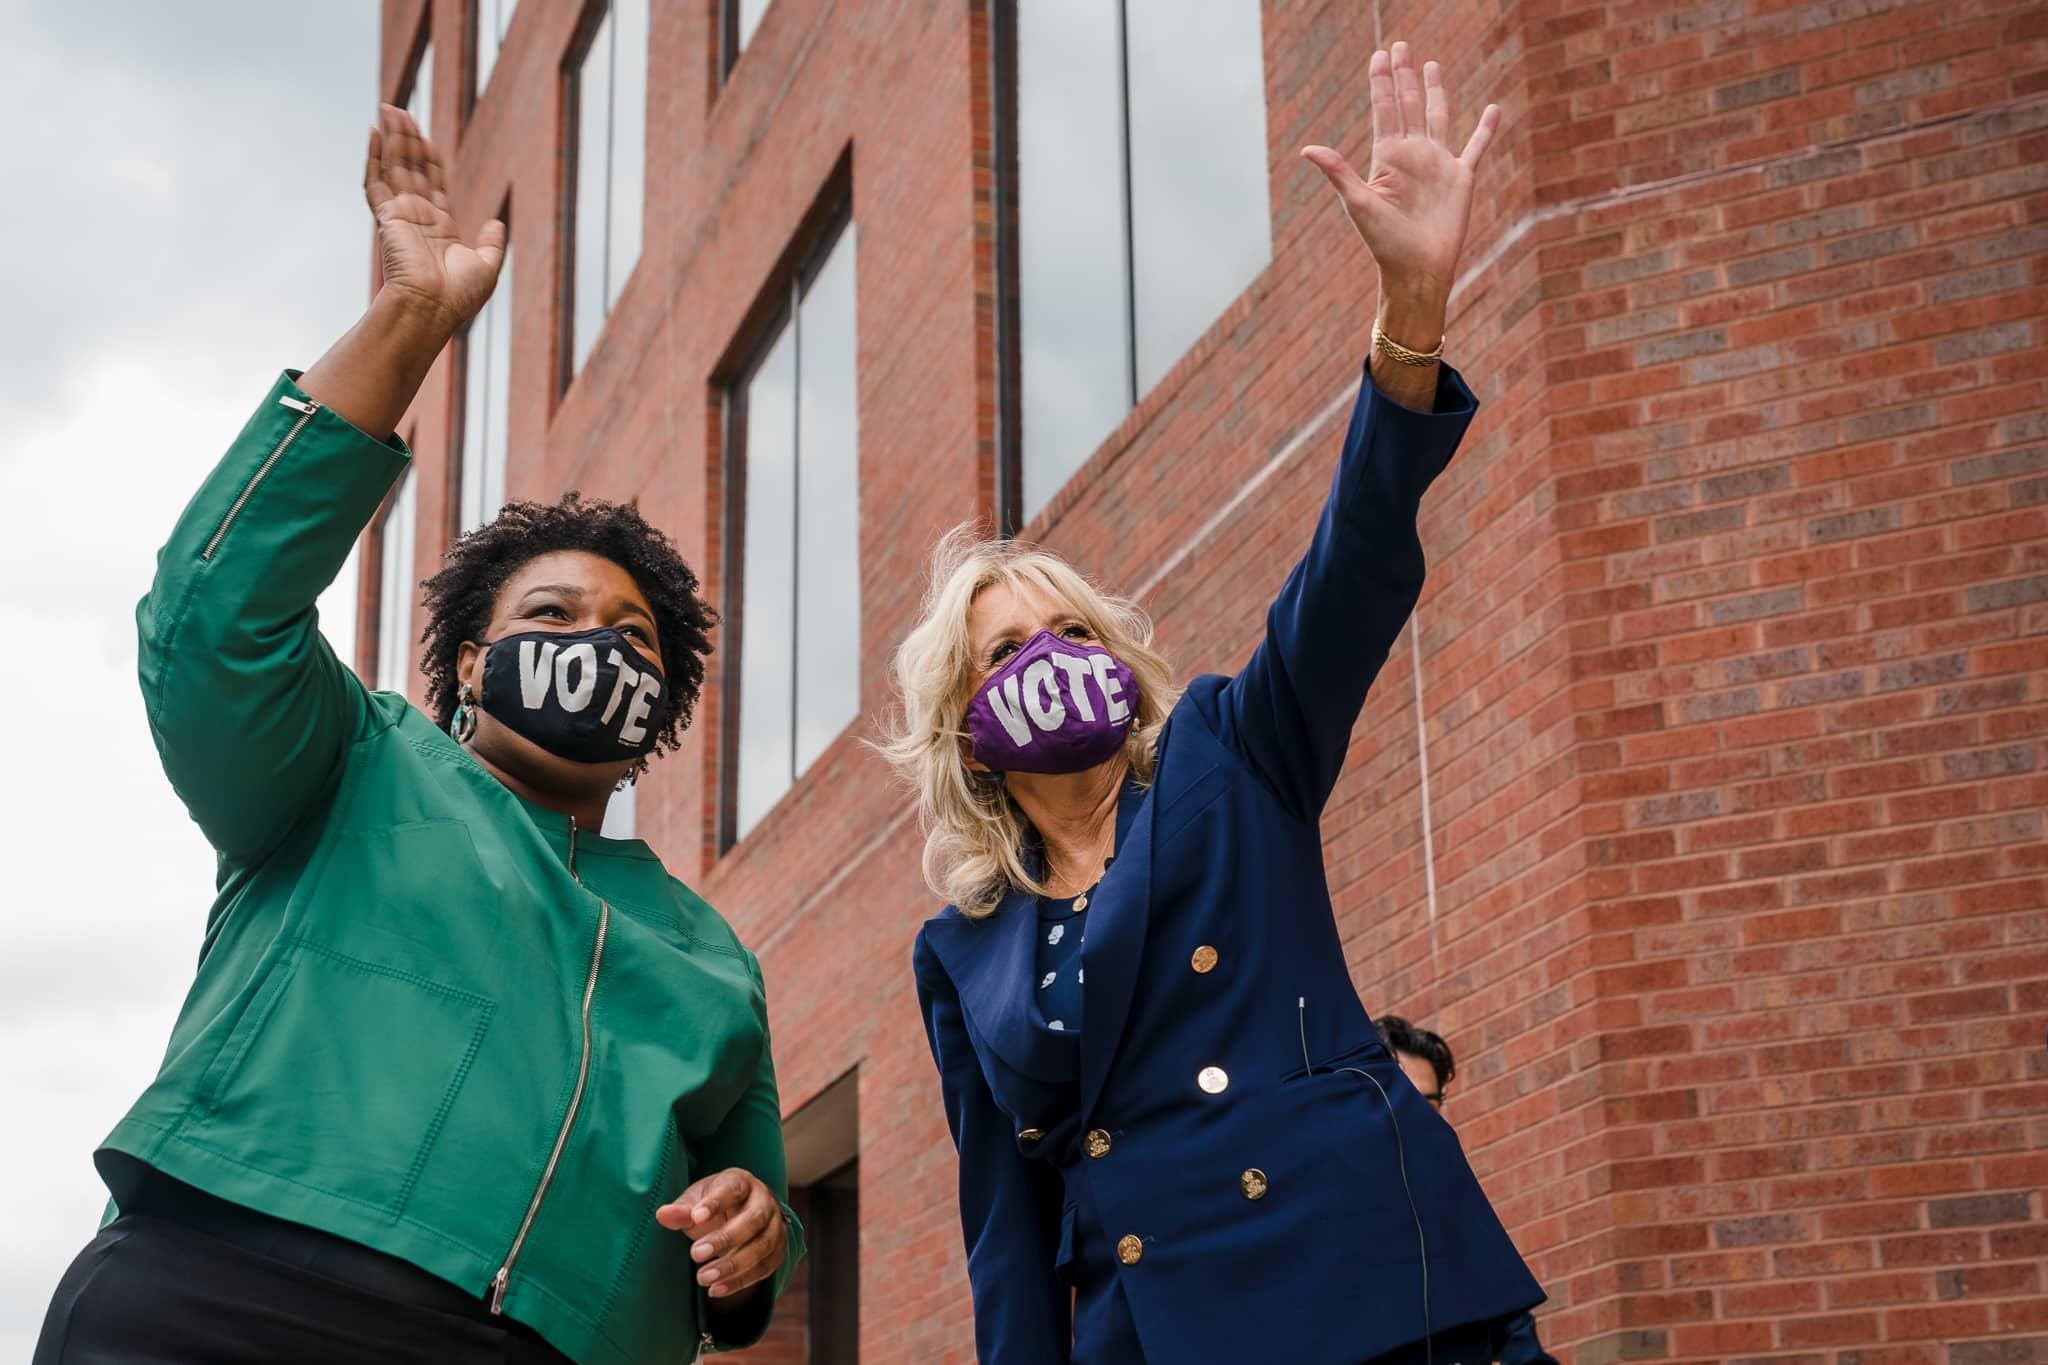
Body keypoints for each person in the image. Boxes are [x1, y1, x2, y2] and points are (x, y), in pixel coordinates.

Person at [34, 106, 801, 1365]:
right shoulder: (348, 762)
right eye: (551, 613)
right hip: (219, 1293)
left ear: (659, 707)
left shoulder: (710, 957)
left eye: (634, 638)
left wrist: (756, 1230)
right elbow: (213, 619)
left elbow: (750, 1222)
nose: (596, 643)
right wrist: (408, 323)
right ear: (470, 666)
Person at [888, 42, 1543, 1365]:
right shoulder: (958, 950)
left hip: (1373, 1280)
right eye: (1010, 647)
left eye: (1075, 628)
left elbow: (1349, 573)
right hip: (1161, 1334)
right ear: (968, 724)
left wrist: (1410, 319)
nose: (1053, 655)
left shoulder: (1230, 752)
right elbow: (1004, 1235)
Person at [1376, 1018, 1559, 1365]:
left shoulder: (1460, 1223)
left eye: (1429, 1106)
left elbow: (1522, 1349)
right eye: (1402, 1104)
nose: (1417, 1121)